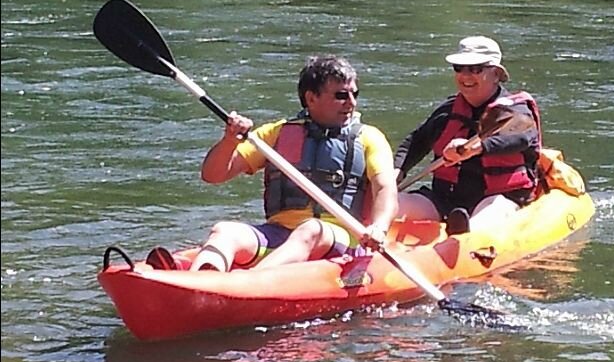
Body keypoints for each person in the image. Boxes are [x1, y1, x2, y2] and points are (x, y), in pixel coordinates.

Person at [147, 55, 398, 271]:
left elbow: (385, 188)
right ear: (311, 99)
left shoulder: (369, 138)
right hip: (279, 234)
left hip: (339, 238)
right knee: (224, 230)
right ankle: (201, 279)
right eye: (341, 95)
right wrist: (229, 140)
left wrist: (379, 228)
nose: (351, 103)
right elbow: (213, 175)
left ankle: (247, 284)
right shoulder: (276, 134)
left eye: (354, 94)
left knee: (312, 229)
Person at [393, 36, 541, 234]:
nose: (466, 76)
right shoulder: (448, 111)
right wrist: (396, 172)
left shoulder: (516, 111)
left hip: (498, 197)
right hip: (444, 199)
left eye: (476, 69)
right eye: (459, 68)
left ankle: (465, 236)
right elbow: (417, 141)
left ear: (496, 74)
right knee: (389, 205)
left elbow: (521, 138)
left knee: (488, 215)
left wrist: (476, 148)